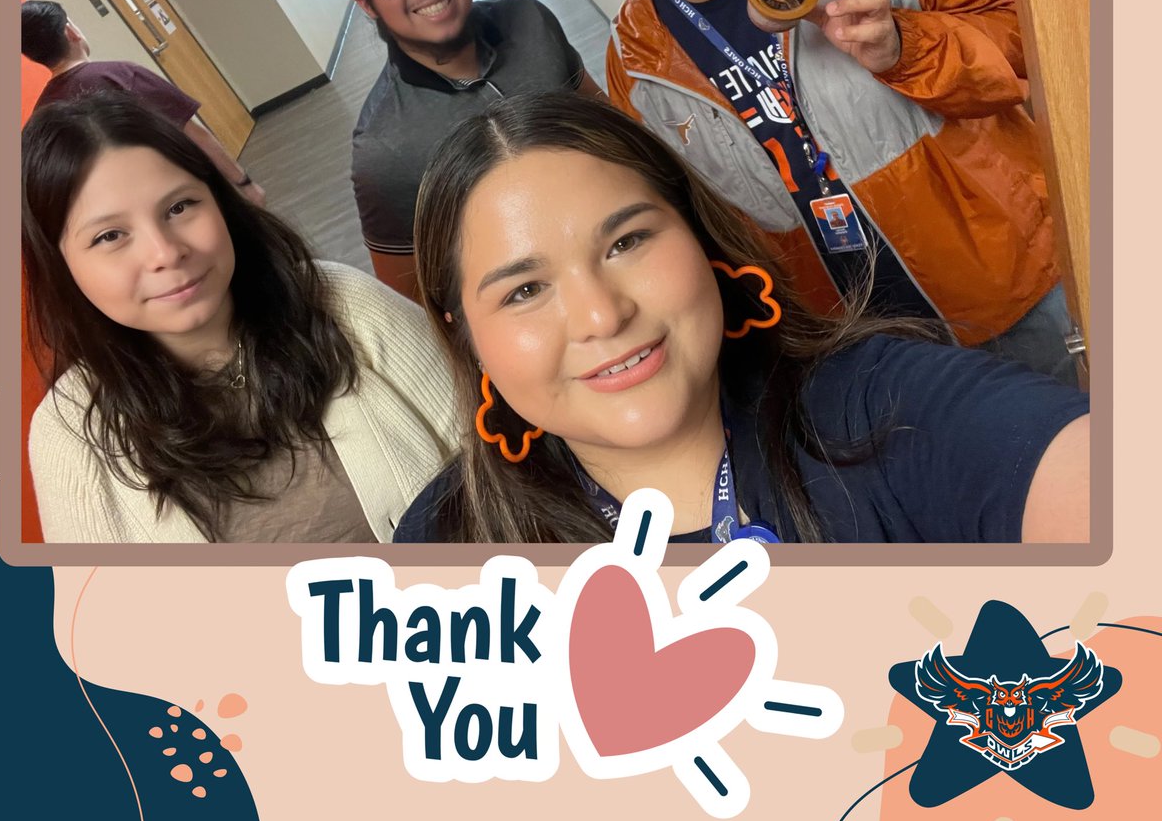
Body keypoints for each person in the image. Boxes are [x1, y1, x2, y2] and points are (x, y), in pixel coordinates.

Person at [394, 93, 1089, 545]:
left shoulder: (887, 409)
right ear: (466, 334)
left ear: (699, 235)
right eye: (524, 290)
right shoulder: (445, 547)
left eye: (628, 242)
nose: (602, 315)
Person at [554, 0, 1076, 384]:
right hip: (855, 348)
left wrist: (908, 45)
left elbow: (1041, 37)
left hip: (1014, 287)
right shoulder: (632, 62)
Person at [22, 92, 456, 543]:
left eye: (179, 207)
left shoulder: (345, 304)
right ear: (61, 265)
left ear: (218, 201)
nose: (166, 253)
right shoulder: (71, 433)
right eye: (110, 235)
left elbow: (494, 456)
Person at [336, 0, 603, 300]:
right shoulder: (384, 148)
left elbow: (607, 121)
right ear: (367, 3)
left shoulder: (529, 19)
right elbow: (413, 299)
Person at [21, 0, 265, 207]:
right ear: (70, 32)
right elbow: (195, 135)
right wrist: (244, 183)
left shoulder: (41, 116)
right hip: (179, 195)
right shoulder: (121, 75)